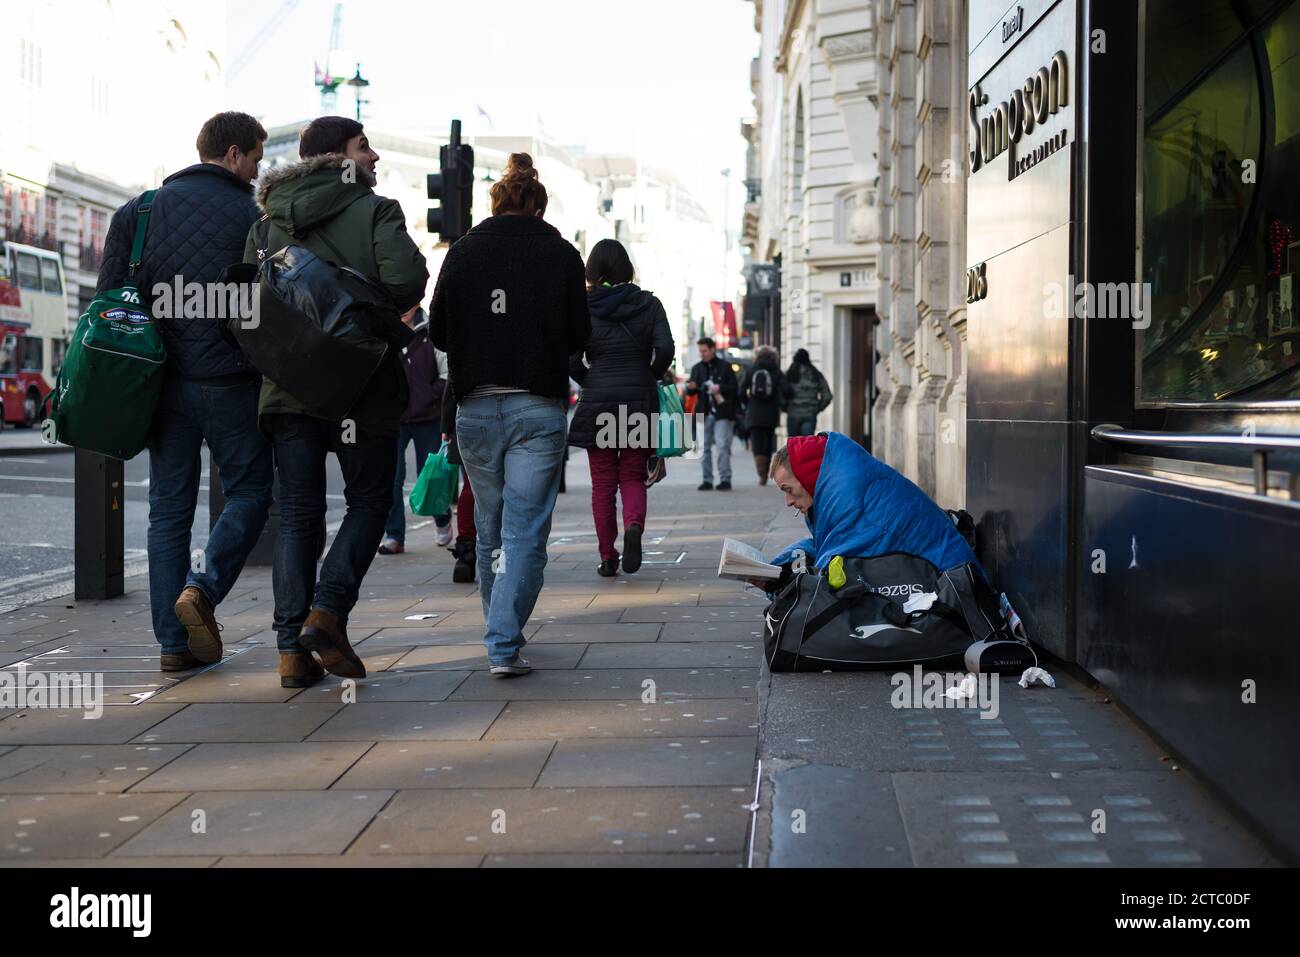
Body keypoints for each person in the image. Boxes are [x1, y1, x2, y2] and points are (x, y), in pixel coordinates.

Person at [244, 116, 428, 688]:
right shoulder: (375, 210)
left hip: (289, 386)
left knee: (298, 514)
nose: (374, 156)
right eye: (363, 146)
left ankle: (290, 654)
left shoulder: (266, 221)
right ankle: (327, 612)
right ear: (337, 158)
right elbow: (408, 280)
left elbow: (250, 301)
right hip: (358, 381)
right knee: (370, 502)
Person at [96, 111, 272, 674]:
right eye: (256, 159)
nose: (257, 170)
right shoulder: (253, 216)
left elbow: (108, 302)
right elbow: (269, 308)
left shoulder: (139, 212)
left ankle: (173, 645)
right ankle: (203, 587)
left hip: (161, 385)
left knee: (168, 511)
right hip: (230, 382)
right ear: (233, 154)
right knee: (250, 491)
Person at [430, 152, 591, 676]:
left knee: (490, 528)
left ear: (495, 204)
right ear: (539, 208)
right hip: (536, 407)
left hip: (474, 405)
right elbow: (579, 337)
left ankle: (498, 628)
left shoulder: (462, 252)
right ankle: (502, 640)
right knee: (525, 534)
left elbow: (438, 333)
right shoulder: (563, 254)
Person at [567, 239, 674, 578]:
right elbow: (665, 348)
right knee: (632, 474)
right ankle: (634, 528)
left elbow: (570, 359)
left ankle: (608, 556)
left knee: (602, 484)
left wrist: (590, 380)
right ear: (626, 268)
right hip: (639, 399)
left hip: (598, 400)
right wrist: (650, 374)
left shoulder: (582, 306)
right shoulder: (649, 304)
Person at [759, 433, 978, 588]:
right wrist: (771, 568)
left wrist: (777, 584)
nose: (788, 502)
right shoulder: (835, 490)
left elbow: (826, 576)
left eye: (788, 490)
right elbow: (821, 545)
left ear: (807, 477)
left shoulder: (848, 497)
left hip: (955, 585)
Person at [378, 305, 452, 555]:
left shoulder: (431, 333)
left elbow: (446, 373)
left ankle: (442, 521)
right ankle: (394, 536)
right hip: (395, 418)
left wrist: (430, 397)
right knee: (391, 478)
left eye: (407, 303)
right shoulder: (387, 332)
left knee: (431, 476)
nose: (402, 310)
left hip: (428, 417)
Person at [685, 337, 739, 490]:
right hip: (703, 412)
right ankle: (707, 479)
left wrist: (719, 388)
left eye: (704, 351)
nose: (702, 354)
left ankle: (725, 479)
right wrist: (691, 387)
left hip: (722, 412)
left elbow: (734, 388)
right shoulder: (697, 368)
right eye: (700, 351)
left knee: (722, 446)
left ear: (712, 349)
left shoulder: (725, 367)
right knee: (704, 447)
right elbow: (691, 391)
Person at [440, 373, 477, 583]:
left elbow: (454, 378)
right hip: (515, 413)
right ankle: (504, 551)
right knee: (507, 489)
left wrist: (446, 426)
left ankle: (466, 551)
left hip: (470, 415)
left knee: (470, 488)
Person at [739, 345, 792, 485]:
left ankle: (761, 474)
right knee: (768, 443)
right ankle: (766, 471)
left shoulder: (751, 369)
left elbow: (741, 389)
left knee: (757, 445)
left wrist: (748, 403)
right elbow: (787, 390)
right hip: (771, 412)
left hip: (754, 412)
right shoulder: (776, 371)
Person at [785, 348, 833, 436]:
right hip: (810, 413)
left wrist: (786, 407)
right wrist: (817, 408)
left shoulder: (789, 374)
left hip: (793, 413)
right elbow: (827, 396)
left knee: (793, 444)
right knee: (807, 444)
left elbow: (781, 393)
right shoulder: (815, 373)